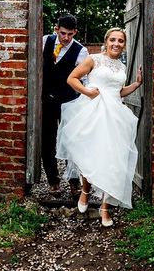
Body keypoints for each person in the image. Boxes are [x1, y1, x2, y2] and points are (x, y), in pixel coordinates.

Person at [56, 27, 143, 227]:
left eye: (120, 41)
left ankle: (105, 208)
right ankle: (85, 191)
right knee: (92, 156)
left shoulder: (121, 66)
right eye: (113, 39)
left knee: (113, 159)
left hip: (116, 116)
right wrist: (87, 91)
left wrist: (136, 85)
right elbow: (72, 78)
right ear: (106, 41)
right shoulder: (94, 59)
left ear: (124, 44)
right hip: (94, 112)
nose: (116, 43)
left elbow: (118, 92)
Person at [42, 13, 89, 197]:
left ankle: (73, 182)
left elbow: (84, 79)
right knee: (47, 139)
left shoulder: (81, 51)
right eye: (63, 33)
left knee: (71, 141)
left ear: (75, 32)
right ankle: (53, 181)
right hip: (46, 99)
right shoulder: (45, 41)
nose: (66, 38)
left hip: (70, 101)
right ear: (56, 29)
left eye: (70, 34)